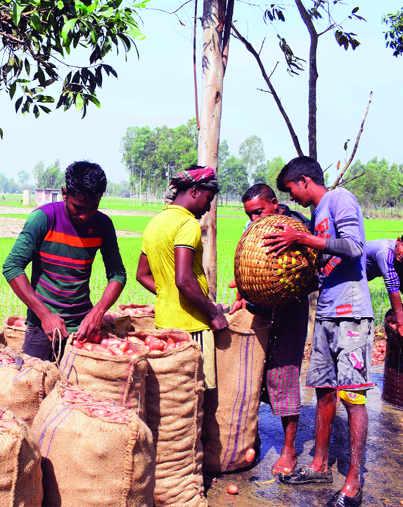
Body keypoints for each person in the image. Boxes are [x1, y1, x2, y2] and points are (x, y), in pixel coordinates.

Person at [264, 156, 372, 507]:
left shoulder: (340, 199)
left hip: (350, 314)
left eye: (291, 189)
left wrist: (305, 239)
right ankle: (319, 465)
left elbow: (355, 247)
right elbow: (321, 266)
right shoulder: (317, 213)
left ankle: (353, 483)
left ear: (305, 180)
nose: (292, 197)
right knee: (324, 391)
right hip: (326, 312)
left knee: (352, 396)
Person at [2, 161, 126, 362]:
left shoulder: (103, 225)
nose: (85, 215)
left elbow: (117, 273)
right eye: (78, 206)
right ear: (64, 193)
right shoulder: (43, 219)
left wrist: (98, 312)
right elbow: (12, 266)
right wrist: (44, 315)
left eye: (93, 207)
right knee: (36, 388)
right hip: (42, 328)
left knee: (79, 392)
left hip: (82, 329)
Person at [229, 183, 311, 475]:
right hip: (257, 307)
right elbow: (244, 266)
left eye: (259, 212)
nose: (255, 220)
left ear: (275, 203)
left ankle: (289, 450)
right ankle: (252, 438)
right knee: (251, 374)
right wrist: (240, 295)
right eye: (250, 215)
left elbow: (313, 267)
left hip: (290, 308)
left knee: (285, 375)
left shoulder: (297, 226)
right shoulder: (251, 230)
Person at [135, 165, 227, 390]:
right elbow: (184, 280)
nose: (208, 207)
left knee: (171, 395)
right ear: (195, 191)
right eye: (209, 198)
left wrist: (170, 295)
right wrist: (213, 312)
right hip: (190, 328)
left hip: (163, 325)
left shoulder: (155, 222)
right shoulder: (187, 224)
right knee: (196, 396)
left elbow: (142, 275)